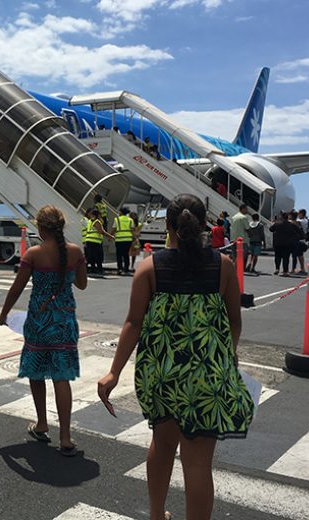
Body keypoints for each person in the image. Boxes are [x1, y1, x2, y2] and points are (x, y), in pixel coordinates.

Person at [98, 194, 253, 520]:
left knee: (163, 442)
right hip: (206, 375)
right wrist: (230, 354)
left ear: (168, 226)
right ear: (204, 227)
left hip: (163, 374)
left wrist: (113, 372)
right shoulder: (223, 267)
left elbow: (134, 323)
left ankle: (157, 514)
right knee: (198, 464)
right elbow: (234, 321)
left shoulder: (150, 268)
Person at [0, 205, 88, 456]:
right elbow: (81, 284)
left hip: (39, 320)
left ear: (40, 227)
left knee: (36, 372)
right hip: (64, 320)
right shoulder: (75, 252)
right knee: (62, 376)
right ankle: (66, 437)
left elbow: (17, 288)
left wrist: (4, 313)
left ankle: (42, 423)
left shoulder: (34, 254)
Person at [269, 212, 301, 276]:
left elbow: (271, 229)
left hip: (277, 243)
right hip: (287, 243)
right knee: (286, 257)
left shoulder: (277, 224)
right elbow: (299, 231)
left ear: (281, 218)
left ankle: (277, 269)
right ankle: (285, 271)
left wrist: (276, 223)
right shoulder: (291, 225)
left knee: (277, 256)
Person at [85, 208, 114, 275]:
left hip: (89, 240)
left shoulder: (90, 221)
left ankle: (91, 269)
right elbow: (101, 232)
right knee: (99, 256)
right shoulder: (97, 222)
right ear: (98, 215)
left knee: (91, 256)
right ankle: (99, 269)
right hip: (95, 241)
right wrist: (110, 236)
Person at [114, 207, 135, 276]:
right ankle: (126, 268)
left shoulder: (117, 219)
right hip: (128, 240)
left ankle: (120, 268)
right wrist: (134, 238)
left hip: (119, 239)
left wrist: (110, 236)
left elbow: (114, 229)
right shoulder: (130, 220)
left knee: (119, 255)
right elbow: (132, 230)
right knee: (126, 254)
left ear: (121, 212)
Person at [289, 210, 307, 275]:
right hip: (301, 240)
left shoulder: (298, 222)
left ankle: (297, 269)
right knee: (299, 255)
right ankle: (302, 268)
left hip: (298, 240)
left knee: (296, 255)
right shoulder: (303, 221)